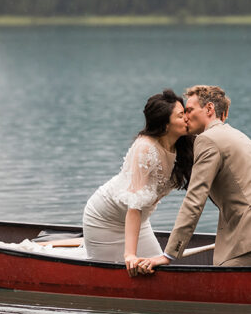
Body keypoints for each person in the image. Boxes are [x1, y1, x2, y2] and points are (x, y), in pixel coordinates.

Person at [134, 85, 251, 273]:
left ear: (209, 109)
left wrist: (169, 255)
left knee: (221, 275)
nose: (185, 117)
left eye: (190, 110)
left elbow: (194, 202)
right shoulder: (239, 135)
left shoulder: (207, 140)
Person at [82, 89, 192, 275]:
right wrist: (130, 255)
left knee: (156, 270)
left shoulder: (185, 144)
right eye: (181, 115)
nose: (187, 119)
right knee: (128, 270)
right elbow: (134, 206)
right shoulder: (146, 148)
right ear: (165, 125)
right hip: (106, 219)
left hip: (139, 221)